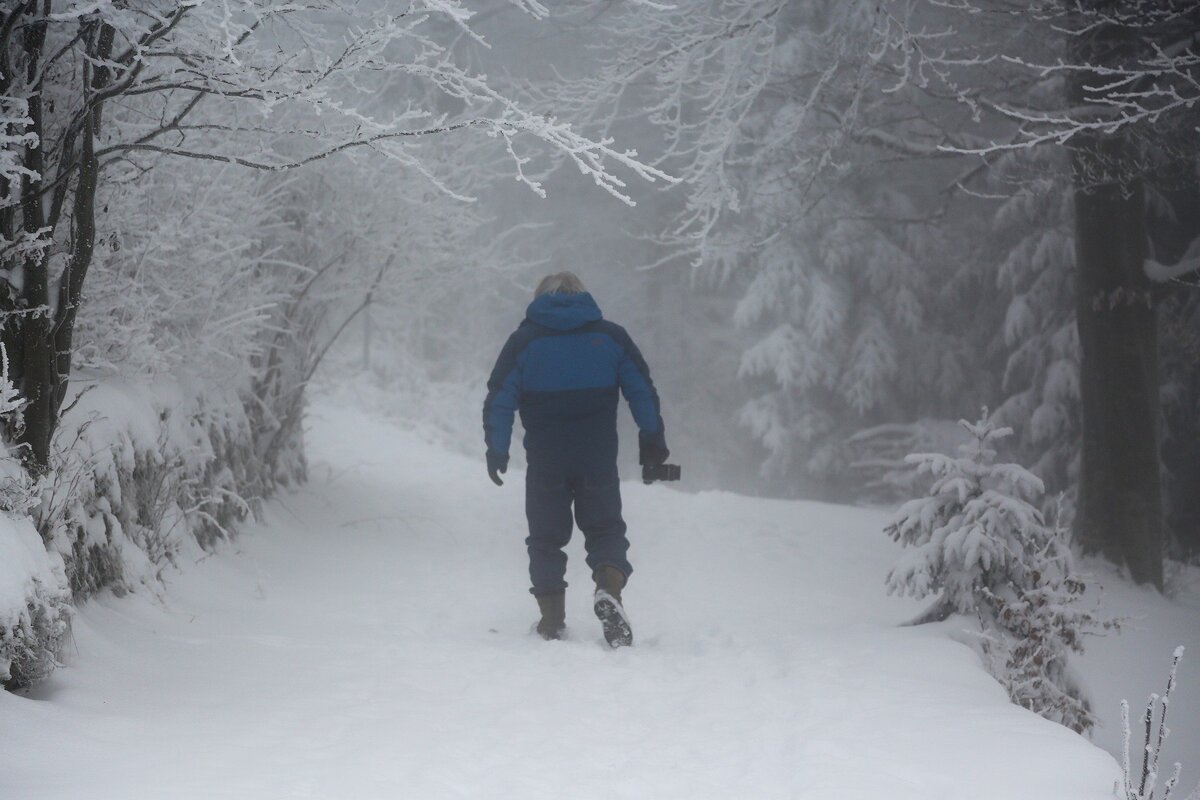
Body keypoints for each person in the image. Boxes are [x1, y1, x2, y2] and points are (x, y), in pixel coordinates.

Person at [482, 272, 668, 647]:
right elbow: (641, 391)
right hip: (596, 455)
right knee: (605, 530)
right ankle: (608, 587)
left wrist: (497, 448)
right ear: (583, 296)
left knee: (546, 538)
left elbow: (500, 398)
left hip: (547, 458)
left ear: (539, 299)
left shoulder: (524, 342)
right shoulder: (610, 338)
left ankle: (551, 621)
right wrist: (653, 442)